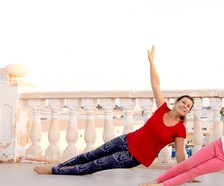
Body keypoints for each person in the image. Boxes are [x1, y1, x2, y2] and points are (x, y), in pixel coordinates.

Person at [33, 45, 194, 175]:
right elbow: (156, 84)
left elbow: (180, 154)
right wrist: (151, 62)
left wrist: (186, 173)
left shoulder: (180, 129)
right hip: (126, 140)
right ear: (177, 102)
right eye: (184, 102)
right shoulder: (162, 109)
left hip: (133, 156)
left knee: (93, 165)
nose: (185, 106)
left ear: (187, 112)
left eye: (188, 106)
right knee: (91, 155)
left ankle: (53, 170)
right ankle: (60, 166)